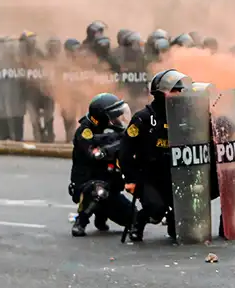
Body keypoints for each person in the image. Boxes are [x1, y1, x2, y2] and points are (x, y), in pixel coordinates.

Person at [119, 69, 193, 243]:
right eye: (174, 90)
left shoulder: (186, 116)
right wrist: (130, 179)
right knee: (156, 209)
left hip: (174, 173)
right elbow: (126, 150)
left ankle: (173, 223)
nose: (178, 95)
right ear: (160, 92)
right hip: (148, 175)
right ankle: (139, 221)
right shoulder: (143, 119)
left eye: (180, 91)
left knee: (182, 214)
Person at [69, 93, 135, 237]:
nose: (118, 119)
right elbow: (96, 154)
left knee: (133, 218)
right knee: (99, 190)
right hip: (86, 183)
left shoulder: (115, 130)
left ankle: (101, 215)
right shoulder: (84, 132)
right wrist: (113, 146)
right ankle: (81, 221)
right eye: (113, 116)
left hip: (111, 185)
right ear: (102, 117)